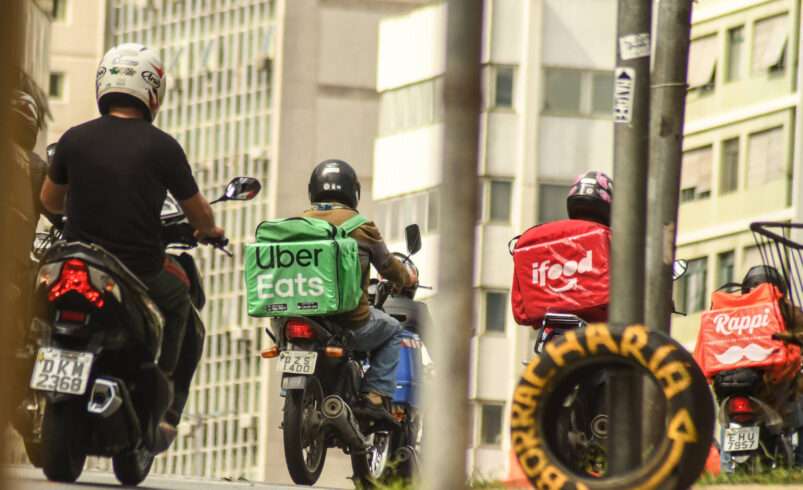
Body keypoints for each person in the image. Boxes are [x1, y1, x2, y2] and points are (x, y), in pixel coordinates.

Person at [39, 43, 225, 427]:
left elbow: (50, 202)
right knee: (181, 302)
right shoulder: (163, 147)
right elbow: (198, 211)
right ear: (153, 92)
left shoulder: (74, 138)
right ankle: (167, 388)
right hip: (138, 269)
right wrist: (209, 231)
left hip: (72, 260)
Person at [301, 158, 418, 423]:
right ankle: (374, 397)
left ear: (313, 190)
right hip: (348, 323)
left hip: (301, 316)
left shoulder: (297, 225)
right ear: (353, 193)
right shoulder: (361, 226)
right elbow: (388, 267)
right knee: (393, 330)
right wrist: (407, 278)